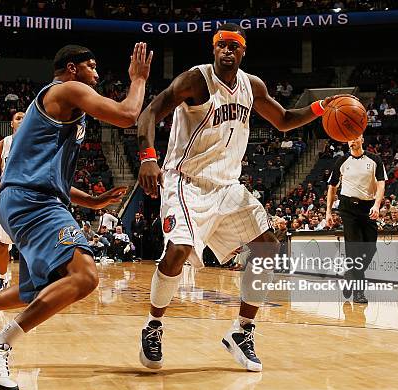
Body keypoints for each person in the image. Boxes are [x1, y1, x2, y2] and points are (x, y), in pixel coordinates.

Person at [0, 42, 152, 390]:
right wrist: (138, 79)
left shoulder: (62, 105)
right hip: (32, 200)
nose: (96, 74)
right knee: (84, 277)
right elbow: (128, 115)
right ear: (71, 68)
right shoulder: (67, 89)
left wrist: (92, 200)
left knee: (38, 290)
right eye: (91, 66)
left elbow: (52, 178)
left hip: (30, 198)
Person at [136, 23, 349, 372]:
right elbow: (148, 114)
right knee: (179, 250)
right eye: (222, 45)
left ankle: (242, 330)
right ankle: (153, 325)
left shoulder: (253, 86)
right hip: (185, 181)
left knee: (267, 246)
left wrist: (319, 108)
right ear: (214, 49)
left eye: (234, 45)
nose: (228, 50)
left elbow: (281, 120)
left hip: (227, 186)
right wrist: (147, 157)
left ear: (243, 50)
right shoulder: (196, 80)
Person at [326, 134, 387, 303]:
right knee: (355, 251)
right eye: (349, 139)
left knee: (371, 248)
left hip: (368, 207)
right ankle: (359, 292)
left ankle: (349, 274)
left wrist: (376, 205)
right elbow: (332, 187)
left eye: (355, 138)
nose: (352, 141)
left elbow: (381, 184)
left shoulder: (375, 159)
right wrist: (328, 212)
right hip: (348, 208)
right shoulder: (341, 161)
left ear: (362, 140)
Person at [0, 111, 25, 291]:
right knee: (2, 244)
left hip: (29, 197)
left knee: (30, 243)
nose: (22, 120)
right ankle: (2, 279)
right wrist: (1, 187)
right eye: (18, 118)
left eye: (25, 117)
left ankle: (33, 281)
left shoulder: (38, 142)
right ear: (11, 123)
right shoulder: (3, 144)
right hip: (7, 197)